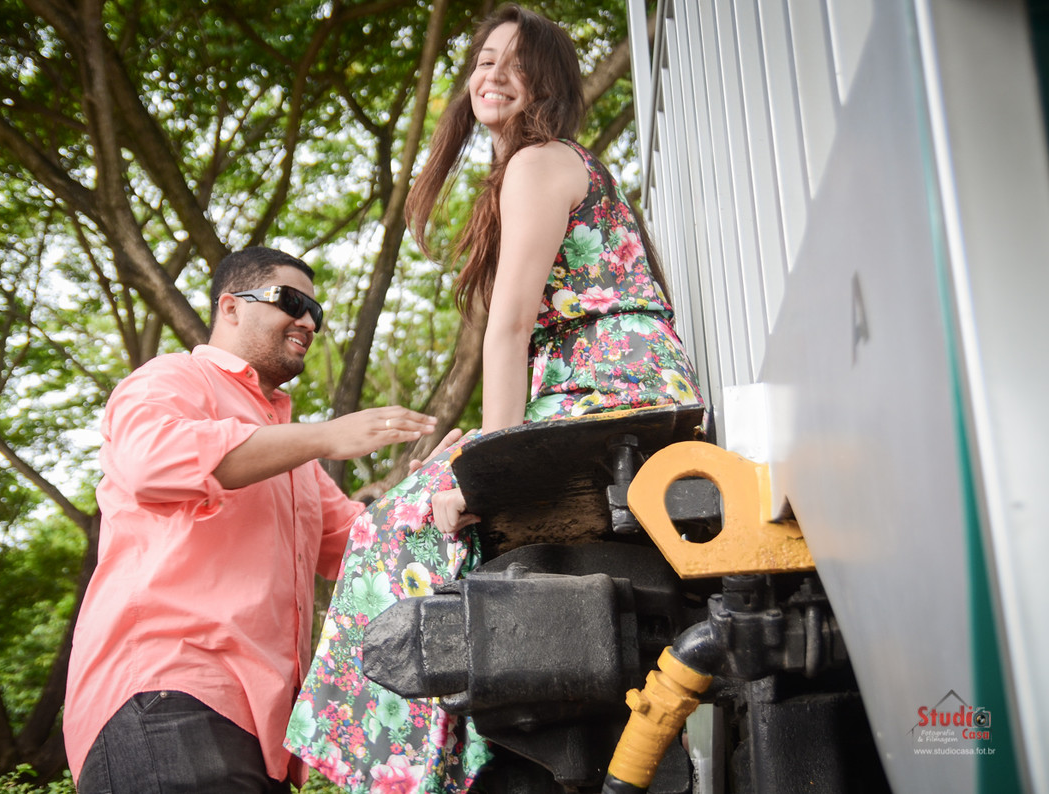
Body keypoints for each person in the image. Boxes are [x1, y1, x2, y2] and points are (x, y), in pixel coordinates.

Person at [285, 5, 704, 792]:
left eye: (517, 62)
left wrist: (489, 474)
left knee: (396, 527)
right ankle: (459, 756)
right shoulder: (550, 166)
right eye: (484, 60)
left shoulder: (539, 161)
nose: (494, 75)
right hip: (605, 384)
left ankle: (412, 770)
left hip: (608, 389)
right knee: (427, 490)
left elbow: (509, 330)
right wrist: (476, 450)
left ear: (550, 84)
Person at [62, 245, 444, 794]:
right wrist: (326, 435)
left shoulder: (293, 458)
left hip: (265, 733)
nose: (308, 321)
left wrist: (430, 492)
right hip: (166, 695)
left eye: (316, 311)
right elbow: (150, 461)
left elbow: (364, 547)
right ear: (230, 307)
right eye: (290, 301)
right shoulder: (172, 378)